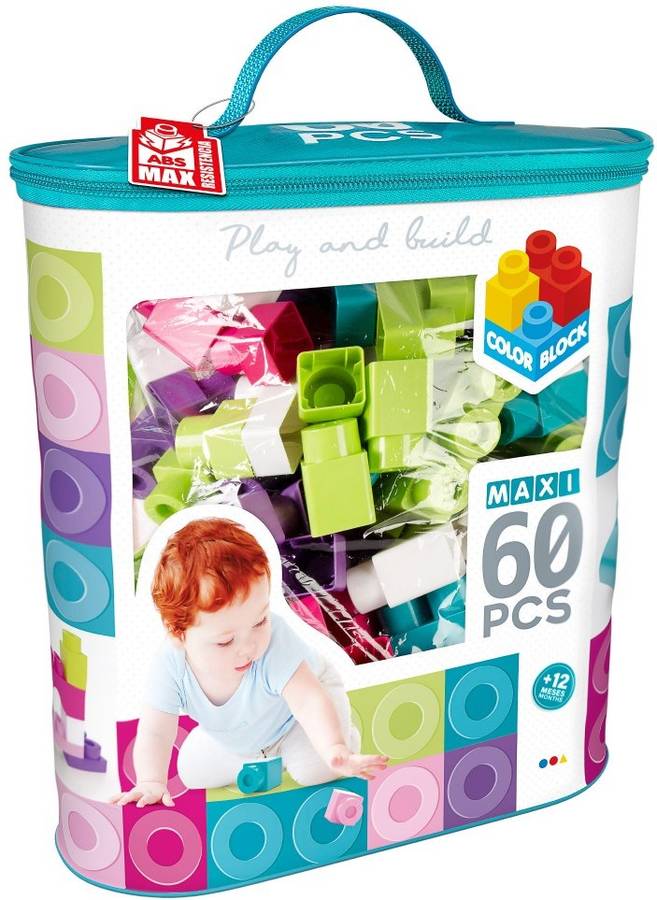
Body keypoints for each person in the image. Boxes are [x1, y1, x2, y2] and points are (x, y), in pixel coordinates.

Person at [111, 517, 387, 807]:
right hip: (246, 734)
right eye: (225, 641)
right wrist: (151, 781)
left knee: (315, 769)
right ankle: (267, 758)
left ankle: (342, 739)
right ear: (179, 634)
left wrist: (333, 747)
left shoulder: (274, 643)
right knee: (191, 771)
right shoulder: (170, 668)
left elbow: (307, 700)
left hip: (302, 708)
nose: (248, 648)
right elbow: (155, 730)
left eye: (259, 621)